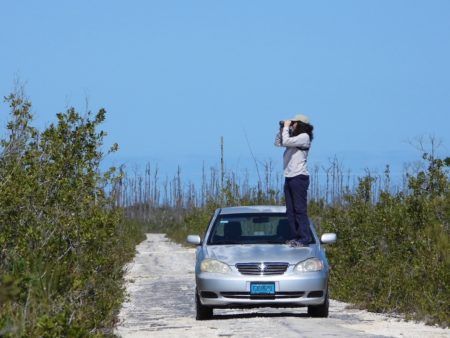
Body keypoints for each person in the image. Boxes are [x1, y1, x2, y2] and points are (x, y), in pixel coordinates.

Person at [275, 114, 314, 247]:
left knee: (299, 209)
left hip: (299, 177)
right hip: (289, 176)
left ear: (301, 124)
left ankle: (304, 237)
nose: (292, 125)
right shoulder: (294, 138)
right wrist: (282, 129)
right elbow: (279, 143)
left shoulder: (304, 137)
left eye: (294, 123)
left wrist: (286, 127)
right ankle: (295, 236)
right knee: (290, 210)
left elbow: (286, 142)